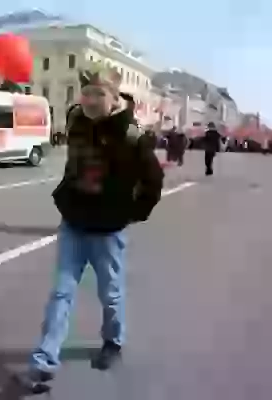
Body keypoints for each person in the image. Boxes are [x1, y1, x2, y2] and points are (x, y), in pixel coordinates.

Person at [16, 62, 164, 393]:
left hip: (108, 229)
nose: (90, 99)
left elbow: (153, 180)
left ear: (114, 98)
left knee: (109, 292)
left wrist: (132, 213)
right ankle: (43, 364)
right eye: (86, 92)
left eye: (99, 93)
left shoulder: (131, 135)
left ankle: (113, 341)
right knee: (60, 293)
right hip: (74, 222)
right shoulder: (75, 120)